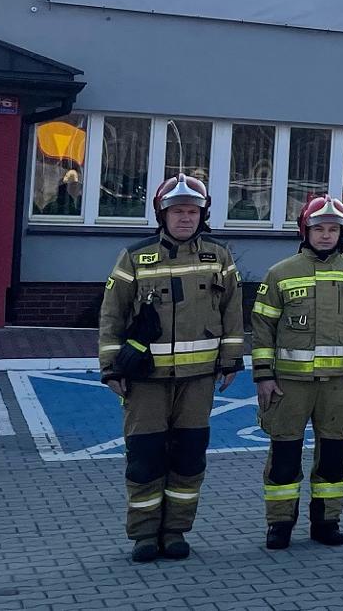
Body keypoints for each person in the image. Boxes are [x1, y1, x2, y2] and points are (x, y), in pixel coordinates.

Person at [97, 175, 243, 562]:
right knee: (145, 457)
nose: (185, 218)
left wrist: (231, 361)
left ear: (203, 214)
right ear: (162, 214)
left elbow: (232, 310)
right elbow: (111, 314)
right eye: (177, 211)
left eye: (192, 211)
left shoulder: (220, 257)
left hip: (197, 381)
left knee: (189, 457)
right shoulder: (135, 257)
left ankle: (176, 530)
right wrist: (111, 368)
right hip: (146, 380)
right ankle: (144, 535)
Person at [251, 194, 343, 549]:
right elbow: (262, 328)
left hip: (338, 384)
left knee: (334, 457)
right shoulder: (281, 273)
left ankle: (327, 521)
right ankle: (279, 525)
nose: (325, 235)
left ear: (342, 232)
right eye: (318, 228)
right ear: (304, 231)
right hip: (289, 386)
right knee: (284, 457)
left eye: (333, 229)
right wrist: (264, 375)